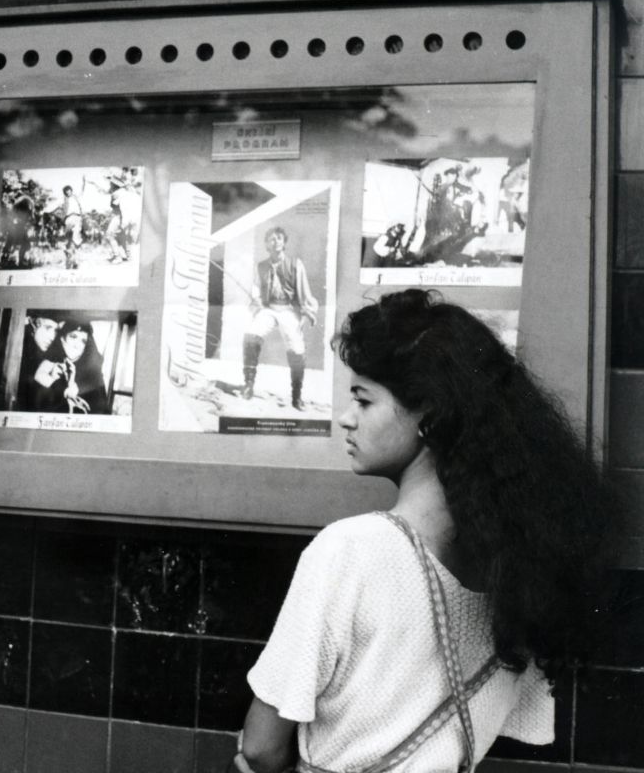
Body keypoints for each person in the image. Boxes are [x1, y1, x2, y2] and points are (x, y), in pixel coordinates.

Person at [232, 289, 614, 773]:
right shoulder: (523, 568)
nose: (346, 418)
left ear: (429, 415)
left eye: (363, 400)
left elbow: (261, 749)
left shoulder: (350, 552)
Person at [241, 227, 318, 411]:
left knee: (297, 350)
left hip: (289, 311)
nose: (275, 242)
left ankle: (296, 397)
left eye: (279, 239)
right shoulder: (261, 266)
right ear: (267, 244)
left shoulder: (295, 264)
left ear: (284, 242)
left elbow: (304, 292)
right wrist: (257, 301)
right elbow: (256, 290)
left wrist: (306, 311)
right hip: (269, 309)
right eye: (271, 239)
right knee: (251, 335)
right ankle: (248, 385)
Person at [23, 319, 108, 415]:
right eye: (73, 337)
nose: (78, 345)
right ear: (62, 339)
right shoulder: (52, 362)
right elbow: (39, 376)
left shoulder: (92, 373)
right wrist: (61, 388)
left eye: (83, 341)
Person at [16, 313, 60, 409]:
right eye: (47, 328)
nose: (52, 337)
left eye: (56, 331)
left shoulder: (42, 356)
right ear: (32, 324)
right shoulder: (17, 348)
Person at [61, 185, 84, 269]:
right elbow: (55, 205)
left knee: (76, 239)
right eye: (66, 191)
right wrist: (45, 210)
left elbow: (82, 191)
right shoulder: (64, 200)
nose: (68, 192)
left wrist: (83, 182)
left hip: (77, 217)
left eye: (69, 190)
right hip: (68, 218)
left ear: (71, 190)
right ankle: (68, 259)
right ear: (65, 192)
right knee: (68, 240)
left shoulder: (76, 197)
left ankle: (74, 262)